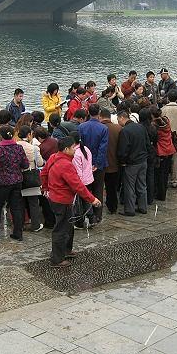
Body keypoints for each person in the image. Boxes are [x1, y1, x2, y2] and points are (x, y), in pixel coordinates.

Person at [41, 136, 101, 268]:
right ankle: (57, 259)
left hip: (56, 198)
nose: (75, 149)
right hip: (62, 200)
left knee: (68, 225)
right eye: (73, 147)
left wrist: (45, 188)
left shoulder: (53, 157)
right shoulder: (66, 165)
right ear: (66, 149)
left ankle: (66, 250)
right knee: (61, 229)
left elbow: (43, 174)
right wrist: (92, 199)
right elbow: (77, 185)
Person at [0, 125, 28, 242]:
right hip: (17, 181)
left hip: (3, 182)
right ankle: (18, 233)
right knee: (16, 208)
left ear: (1, 136)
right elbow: (25, 164)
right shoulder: (19, 148)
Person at [78, 104, 109, 224]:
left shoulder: (81, 127)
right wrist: (97, 164)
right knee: (98, 189)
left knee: (86, 189)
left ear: (88, 113)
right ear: (99, 113)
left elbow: (80, 146)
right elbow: (103, 149)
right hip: (99, 164)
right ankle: (98, 215)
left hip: (85, 162)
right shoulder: (103, 128)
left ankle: (87, 214)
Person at [117, 110, 151, 215]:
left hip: (131, 163)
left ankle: (130, 209)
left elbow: (123, 150)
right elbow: (148, 143)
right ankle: (143, 207)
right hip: (143, 161)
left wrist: (122, 162)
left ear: (122, 117)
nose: (118, 122)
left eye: (118, 119)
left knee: (129, 187)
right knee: (142, 185)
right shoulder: (141, 127)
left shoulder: (125, 131)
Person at [17, 125, 45, 232]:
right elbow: (40, 163)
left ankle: (21, 224)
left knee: (20, 202)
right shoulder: (34, 148)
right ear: (29, 135)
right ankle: (36, 225)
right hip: (31, 176)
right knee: (33, 202)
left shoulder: (15, 146)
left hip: (17, 177)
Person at [99, 108, 122, 214]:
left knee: (98, 188)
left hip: (99, 164)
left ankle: (97, 208)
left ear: (100, 116)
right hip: (114, 163)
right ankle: (112, 207)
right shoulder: (118, 128)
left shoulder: (99, 128)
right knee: (112, 187)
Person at [162, 91, 177, 187]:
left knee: (165, 159)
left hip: (165, 137)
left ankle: (164, 179)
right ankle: (175, 180)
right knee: (176, 160)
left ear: (168, 98)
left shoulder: (163, 109)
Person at [139, 107, 158, 205]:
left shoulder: (139, 128)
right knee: (150, 175)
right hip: (151, 153)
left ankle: (141, 198)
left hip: (141, 153)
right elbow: (155, 141)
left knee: (140, 177)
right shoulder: (153, 128)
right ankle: (150, 198)